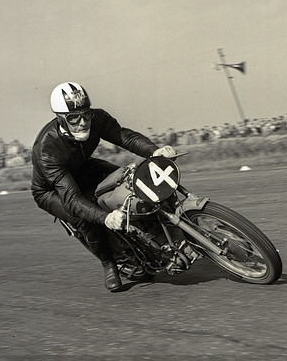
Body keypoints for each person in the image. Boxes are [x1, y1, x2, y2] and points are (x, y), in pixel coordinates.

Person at [31, 82, 177, 292]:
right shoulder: (47, 149)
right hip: (50, 190)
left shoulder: (97, 118)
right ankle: (109, 263)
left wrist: (154, 152)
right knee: (84, 218)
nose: (82, 122)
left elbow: (124, 136)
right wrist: (105, 218)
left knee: (131, 179)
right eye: (73, 117)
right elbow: (72, 200)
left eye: (85, 114)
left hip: (82, 168)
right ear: (60, 118)